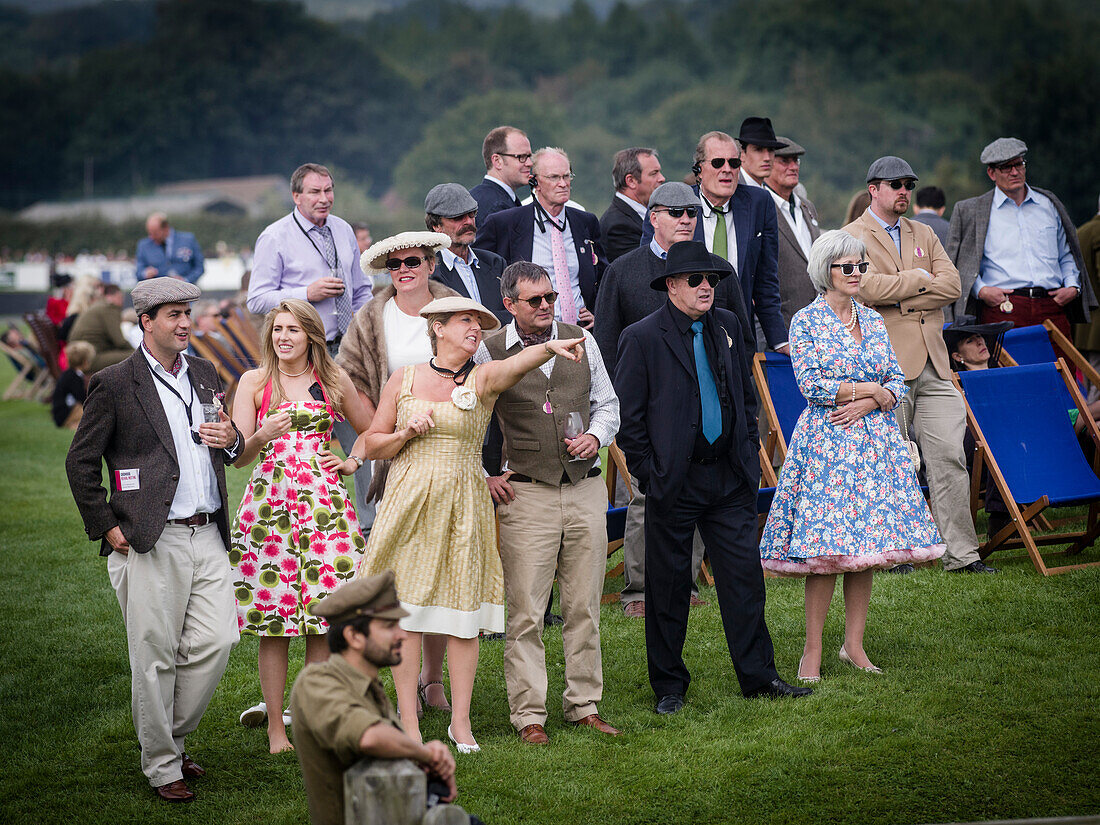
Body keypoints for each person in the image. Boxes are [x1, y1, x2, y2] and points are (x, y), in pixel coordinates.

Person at [353, 295, 586, 749]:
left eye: (479, 322)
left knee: (462, 615)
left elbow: (513, 366)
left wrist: (548, 348)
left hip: (463, 504)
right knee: (405, 615)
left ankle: (461, 724)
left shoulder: (480, 379)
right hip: (408, 504)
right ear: (437, 327)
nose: (475, 328)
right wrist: (404, 433)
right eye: (465, 321)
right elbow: (373, 441)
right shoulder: (404, 379)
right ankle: (410, 723)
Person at [614, 241, 811, 714]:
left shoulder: (727, 325)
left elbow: (744, 396)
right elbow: (628, 419)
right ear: (671, 286)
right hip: (673, 483)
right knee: (667, 588)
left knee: (744, 580)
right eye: (697, 280)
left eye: (714, 280)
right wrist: (651, 475)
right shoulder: (642, 337)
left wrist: (745, 453)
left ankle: (760, 677)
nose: (708, 287)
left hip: (727, 479)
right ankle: (668, 687)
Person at [65, 277, 243, 802]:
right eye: (173, 315)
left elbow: (224, 446)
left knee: (217, 641)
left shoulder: (206, 373)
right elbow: (80, 461)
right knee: (154, 655)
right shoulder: (115, 382)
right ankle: (164, 764)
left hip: (208, 529)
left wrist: (231, 438)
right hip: (147, 537)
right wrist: (105, 523)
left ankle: (172, 738)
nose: (186, 322)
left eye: (188, 312)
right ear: (146, 321)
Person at [759, 230, 945, 681]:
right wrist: (871, 390)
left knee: (868, 549)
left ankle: (854, 647)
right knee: (827, 551)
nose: (857, 273)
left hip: (873, 446)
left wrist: (873, 398)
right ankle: (812, 652)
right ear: (827, 271)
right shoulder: (806, 321)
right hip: (827, 445)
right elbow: (812, 385)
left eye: (861, 266)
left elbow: (896, 381)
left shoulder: (873, 319)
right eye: (848, 267)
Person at [474, 262, 620, 744]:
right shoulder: (489, 352)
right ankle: (529, 716)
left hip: (583, 487)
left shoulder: (580, 338)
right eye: (534, 300)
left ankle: (583, 704)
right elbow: (469, 419)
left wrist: (596, 436)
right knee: (527, 613)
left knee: (584, 606)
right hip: (527, 492)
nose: (545, 307)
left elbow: (608, 402)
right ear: (509, 305)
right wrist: (486, 474)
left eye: (551, 297)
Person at [595, 181, 752, 616]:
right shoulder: (624, 270)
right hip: (648, 410)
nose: (686, 219)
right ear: (653, 217)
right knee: (648, 498)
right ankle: (640, 591)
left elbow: (740, 334)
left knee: (701, 490)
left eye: (691, 212)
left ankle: (684, 584)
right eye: (675, 211)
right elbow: (606, 342)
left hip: (709, 409)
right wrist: (615, 413)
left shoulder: (717, 270)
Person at [229, 299, 371, 753]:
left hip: (324, 510)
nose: (283, 337)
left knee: (318, 621)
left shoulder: (332, 380)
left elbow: (371, 428)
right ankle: (275, 727)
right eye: (277, 329)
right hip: (269, 512)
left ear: (311, 334)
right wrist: (260, 435)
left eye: (293, 329)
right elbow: (239, 457)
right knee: (276, 624)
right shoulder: (254, 382)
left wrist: (351, 459)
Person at [844, 155, 996, 575]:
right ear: (873, 188)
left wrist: (899, 293)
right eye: (895, 185)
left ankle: (961, 555)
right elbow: (865, 288)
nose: (904, 192)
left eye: (908, 185)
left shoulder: (924, 231)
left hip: (936, 363)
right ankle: (894, 554)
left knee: (950, 456)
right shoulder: (851, 236)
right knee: (892, 463)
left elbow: (952, 285)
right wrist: (918, 279)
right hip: (884, 367)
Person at [337, 231, 459, 718]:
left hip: (451, 452)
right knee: (398, 573)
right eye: (394, 265)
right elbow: (349, 380)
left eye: (413, 261)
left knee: (443, 570)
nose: (404, 270)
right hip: (395, 458)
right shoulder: (371, 318)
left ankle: (433, 679)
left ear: (431, 264)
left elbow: (482, 373)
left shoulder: (454, 306)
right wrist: (380, 432)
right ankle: (388, 679)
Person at [248, 162, 376, 540]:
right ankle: (296, 525)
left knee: (361, 435)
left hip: (349, 350)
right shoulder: (274, 237)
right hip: (300, 358)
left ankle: (370, 527)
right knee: (303, 445)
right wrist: (307, 293)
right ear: (296, 196)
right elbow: (257, 299)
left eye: (329, 190)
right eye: (315, 192)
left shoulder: (343, 229)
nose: (324, 199)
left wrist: (367, 326)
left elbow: (360, 289)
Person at [290, 571, 478, 825]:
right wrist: (427, 754)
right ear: (354, 637)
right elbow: (368, 737)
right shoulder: (317, 681)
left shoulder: (370, 688)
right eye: (390, 626)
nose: (402, 635)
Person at [639, 131, 787, 352]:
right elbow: (649, 270)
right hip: (680, 334)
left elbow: (766, 282)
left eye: (734, 163)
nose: (727, 169)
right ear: (699, 169)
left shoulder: (759, 203)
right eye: (718, 163)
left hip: (736, 337)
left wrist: (780, 341)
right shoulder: (673, 208)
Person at [947, 138, 1094, 334]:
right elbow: (955, 263)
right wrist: (980, 290)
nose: (1015, 172)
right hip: (1002, 308)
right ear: (991, 173)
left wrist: (1073, 286)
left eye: (1018, 164)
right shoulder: (971, 210)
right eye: (1006, 167)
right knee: (1007, 366)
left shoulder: (1049, 204)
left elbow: (1066, 254)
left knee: (1062, 365)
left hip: (1052, 306)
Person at [475, 147, 606, 330]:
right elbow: (481, 273)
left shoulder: (585, 221)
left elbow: (603, 275)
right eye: (554, 177)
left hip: (580, 331)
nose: (563, 183)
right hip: (529, 335)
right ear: (534, 182)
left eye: (566, 176)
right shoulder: (505, 223)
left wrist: (599, 313)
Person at [424, 183, 509, 324]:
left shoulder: (495, 263)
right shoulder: (429, 272)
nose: (469, 222)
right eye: (458, 218)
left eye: (472, 214)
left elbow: (512, 312)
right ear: (436, 225)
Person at [765, 137, 822, 330]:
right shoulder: (760, 208)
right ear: (767, 164)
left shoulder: (807, 207)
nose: (793, 167)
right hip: (781, 326)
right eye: (785, 161)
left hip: (816, 324)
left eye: (796, 160)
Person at [599, 147, 665, 263]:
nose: (662, 178)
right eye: (654, 173)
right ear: (631, 181)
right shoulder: (617, 226)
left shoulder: (640, 214)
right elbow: (643, 268)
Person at [67, 282, 133, 372]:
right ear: (111, 297)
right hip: (88, 358)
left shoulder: (98, 306)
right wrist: (138, 351)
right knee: (135, 356)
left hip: (77, 356)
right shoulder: (109, 309)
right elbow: (119, 341)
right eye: (120, 298)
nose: (122, 302)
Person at [470, 126, 533, 219]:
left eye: (529, 156)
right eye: (521, 157)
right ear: (497, 161)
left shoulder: (476, 197)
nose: (530, 163)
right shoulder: (497, 208)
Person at [1074, 195, 1100, 388]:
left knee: (1091, 390)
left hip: (1084, 329)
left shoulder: (1081, 231)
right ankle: (1075, 421)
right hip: (1097, 332)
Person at [135, 212, 205, 283]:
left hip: (187, 291)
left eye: (155, 233)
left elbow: (199, 268)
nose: (151, 237)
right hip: (157, 292)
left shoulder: (188, 240)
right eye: (149, 233)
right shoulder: (143, 245)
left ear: (166, 228)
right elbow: (138, 272)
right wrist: (145, 273)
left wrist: (186, 280)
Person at [51, 339, 93, 428]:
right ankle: (73, 424)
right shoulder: (73, 377)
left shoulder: (69, 374)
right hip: (64, 414)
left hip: (61, 412)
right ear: (85, 362)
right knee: (90, 413)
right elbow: (81, 397)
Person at [737, 116, 786, 188]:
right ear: (742, 154)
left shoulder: (766, 191)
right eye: (758, 150)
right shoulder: (731, 190)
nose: (767, 158)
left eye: (771, 150)